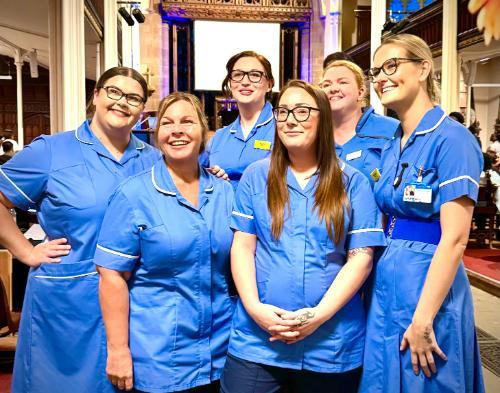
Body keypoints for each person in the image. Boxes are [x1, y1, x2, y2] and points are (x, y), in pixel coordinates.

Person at [0, 66, 160, 393]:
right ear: (96, 95)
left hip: (136, 301)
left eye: (133, 98)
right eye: (113, 92)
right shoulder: (51, 151)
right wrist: (25, 251)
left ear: (141, 109)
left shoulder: (154, 160)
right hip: (67, 302)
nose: (122, 103)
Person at [220, 80, 386, 393]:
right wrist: (255, 308)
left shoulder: (353, 182)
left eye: (302, 111)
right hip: (259, 339)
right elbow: (242, 247)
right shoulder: (257, 175)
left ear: (322, 118)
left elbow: (360, 258)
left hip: (330, 342)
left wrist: (317, 316)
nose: (290, 119)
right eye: (283, 112)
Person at [360, 34, 485, 392]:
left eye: (391, 66)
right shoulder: (391, 144)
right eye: (376, 71)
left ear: (423, 68)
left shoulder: (452, 139)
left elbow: (456, 239)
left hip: (427, 280)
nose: (381, 77)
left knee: (426, 377)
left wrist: (424, 319)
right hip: (386, 278)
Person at [94, 92, 234, 393]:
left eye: (187, 121)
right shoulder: (133, 194)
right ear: (158, 135)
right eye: (168, 123)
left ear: (204, 131)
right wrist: (118, 350)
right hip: (159, 357)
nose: (177, 130)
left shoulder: (225, 193)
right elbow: (111, 275)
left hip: (222, 351)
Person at [200, 50, 275, 190]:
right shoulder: (219, 138)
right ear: (230, 83)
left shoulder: (283, 130)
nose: (245, 82)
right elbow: (195, 176)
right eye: (238, 75)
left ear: (269, 84)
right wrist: (211, 178)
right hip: (223, 210)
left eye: (254, 75)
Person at [319, 60, 399, 186]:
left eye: (343, 82)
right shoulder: (313, 137)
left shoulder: (392, 130)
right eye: (326, 85)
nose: (333, 89)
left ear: (361, 92)